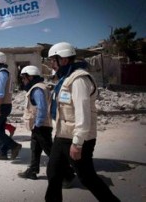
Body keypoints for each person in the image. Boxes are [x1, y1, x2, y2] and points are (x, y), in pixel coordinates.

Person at [45, 42, 120, 202]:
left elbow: (83, 113)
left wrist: (77, 143)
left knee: (87, 177)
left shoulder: (79, 79)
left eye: (53, 60)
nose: (51, 63)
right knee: (53, 173)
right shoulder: (65, 79)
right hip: (61, 136)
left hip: (77, 138)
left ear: (63, 60)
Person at [17, 65, 53, 180]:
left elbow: (42, 108)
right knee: (35, 148)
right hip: (39, 125)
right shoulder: (41, 87)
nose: (23, 80)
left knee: (50, 151)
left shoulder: (37, 89)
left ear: (30, 77)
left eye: (24, 78)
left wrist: (37, 125)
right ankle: (32, 170)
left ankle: (67, 174)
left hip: (41, 126)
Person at [0, 51, 22, 160]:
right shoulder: (0, 72)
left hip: (1, 105)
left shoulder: (2, 73)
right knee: (0, 128)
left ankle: (14, 146)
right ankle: (2, 152)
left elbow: (1, 92)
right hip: (3, 105)